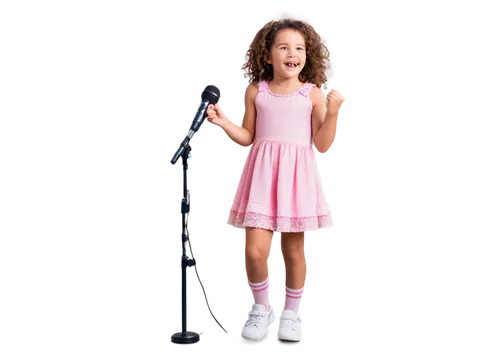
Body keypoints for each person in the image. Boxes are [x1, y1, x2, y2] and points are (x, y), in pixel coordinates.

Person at [206, 11, 346, 343]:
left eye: (298, 48)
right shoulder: (257, 91)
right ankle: (259, 308)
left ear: (307, 55)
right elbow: (249, 138)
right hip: (261, 176)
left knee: (294, 250)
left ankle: (293, 313)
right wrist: (225, 124)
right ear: (267, 55)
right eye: (283, 47)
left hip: (296, 180)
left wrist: (335, 110)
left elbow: (323, 145)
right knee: (255, 250)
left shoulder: (311, 94)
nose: (292, 54)